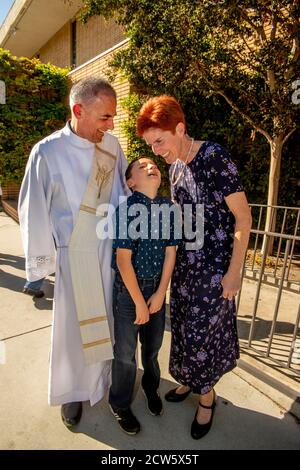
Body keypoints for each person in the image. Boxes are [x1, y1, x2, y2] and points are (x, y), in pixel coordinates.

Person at [137, 95, 252, 439]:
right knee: (184, 331)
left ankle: (207, 397)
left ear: (180, 129)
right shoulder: (175, 167)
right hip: (186, 268)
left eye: (160, 140)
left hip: (215, 271)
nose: (156, 150)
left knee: (203, 336)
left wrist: (235, 272)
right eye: (149, 144)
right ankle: (189, 382)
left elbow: (243, 217)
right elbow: (179, 219)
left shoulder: (214, 157)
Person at [18, 77, 130, 428]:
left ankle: (101, 381)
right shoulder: (48, 152)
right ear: (78, 110)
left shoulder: (112, 147)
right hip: (74, 257)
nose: (111, 125)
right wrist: (42, 266)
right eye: (104, 117)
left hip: (109, 255)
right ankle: (71, 393)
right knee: (73, 333)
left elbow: (125, 195)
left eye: (113, 117)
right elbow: (33, 209)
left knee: (106, 327)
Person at [109, 157, 178, 435]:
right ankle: (120, 403)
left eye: (153, 164)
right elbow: (123, 260)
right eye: (142, 166)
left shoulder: (168, 209)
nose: (151, 167)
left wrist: (161, 292)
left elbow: (171, 252)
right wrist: (139, 301)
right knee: (125, 353)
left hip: (157, 291)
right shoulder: (126, 210)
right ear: (130, 182)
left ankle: (151, 388)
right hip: (129, 293)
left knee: (152, 349)